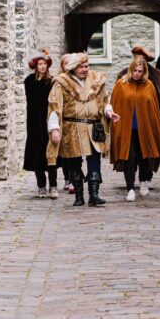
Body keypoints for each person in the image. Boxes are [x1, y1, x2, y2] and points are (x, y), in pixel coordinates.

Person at [47, 53, 119, 207]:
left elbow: (104, 101)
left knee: (94, 159)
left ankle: (94, 195)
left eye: (86, 66)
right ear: (73, 68)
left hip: (93, 126)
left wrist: (109, 112)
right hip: (72, 127)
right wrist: (54, 129)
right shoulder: (62, 83)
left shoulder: (96, 80)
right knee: (74, 162)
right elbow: (55, 107)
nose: (84, 69)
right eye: (81, 67)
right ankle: (79, 196)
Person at [110, 56, 160, 202]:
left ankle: (143, 181)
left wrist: (154, 127)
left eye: (140, 71)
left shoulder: (149, 85)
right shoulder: (121, 84)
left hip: (144, 127)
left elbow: (154, 108)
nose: (137, 74)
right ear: (130, 69)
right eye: (135, 70)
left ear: (144, 72)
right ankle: (130, 188)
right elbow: (114, 104)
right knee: (129, 157)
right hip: (126, 128)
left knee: (144, 155)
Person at [23, 51, 59, 199]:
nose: (42, 66)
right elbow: (31, 101)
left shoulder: (51, 81)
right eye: (40, 64)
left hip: (48, 120)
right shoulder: (29, 81)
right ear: (35, 66)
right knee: (37, 154)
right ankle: (41, 186)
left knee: (50, 154)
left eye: (44, 64)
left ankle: (53, 186)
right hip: (34, 122)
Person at [117, 45, 160, 125]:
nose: (137, 73)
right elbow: (118, 101)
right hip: (129, 119)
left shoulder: (157, 76)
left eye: (142, 59)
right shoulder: (123, 75)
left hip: (150, 119)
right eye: (136, 58)